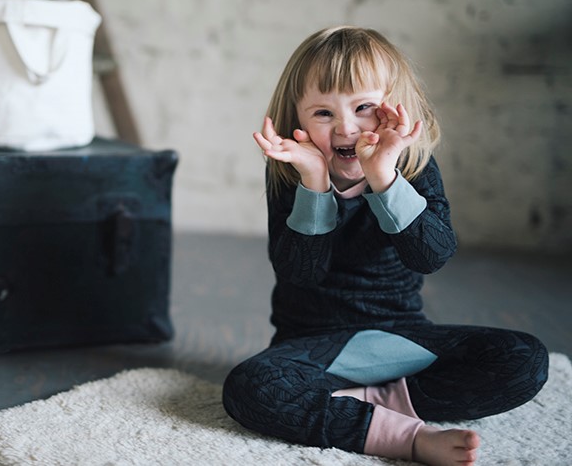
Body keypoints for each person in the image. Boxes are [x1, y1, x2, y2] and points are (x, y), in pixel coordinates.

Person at [221, 26, 548, 466]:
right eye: (322, 113)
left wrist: (385, 180)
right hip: (313, 346)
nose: (346, 127)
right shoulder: (292, 174)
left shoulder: (415, 169)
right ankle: (403, 436)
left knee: (524, 360)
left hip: (398, 337)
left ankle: (354, 401)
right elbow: (300, 272)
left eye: (364, 108)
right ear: (296, 120)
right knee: (250, 387)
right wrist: (315, 186)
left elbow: (430, 256)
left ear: (395, 110)